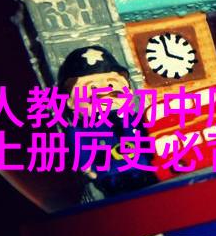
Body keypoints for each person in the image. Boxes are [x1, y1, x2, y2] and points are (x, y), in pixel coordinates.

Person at [57, 45, 156, 198]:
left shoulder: (136, 119)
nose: (105, 91)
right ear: (70, 101)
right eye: (92, 87)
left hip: (146, 169)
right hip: (112, 175)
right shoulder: (80, 131)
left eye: (111, 84)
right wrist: (90, 171)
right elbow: (81, 153)